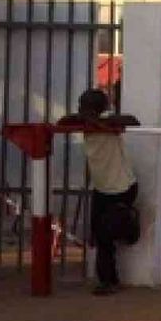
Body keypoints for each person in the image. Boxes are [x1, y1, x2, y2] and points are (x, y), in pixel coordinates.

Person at [58, 89, 139, 296]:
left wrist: (103, 122)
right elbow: (62, 123)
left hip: (123, 187)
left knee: (105, 235)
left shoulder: (110, 122)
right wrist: (86, 119)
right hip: (102, 188)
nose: (79, 109)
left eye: (84, 106)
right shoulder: (82, 121)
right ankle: (109, 279)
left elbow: (133, 120)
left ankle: (109, 280)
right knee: (97, 235)